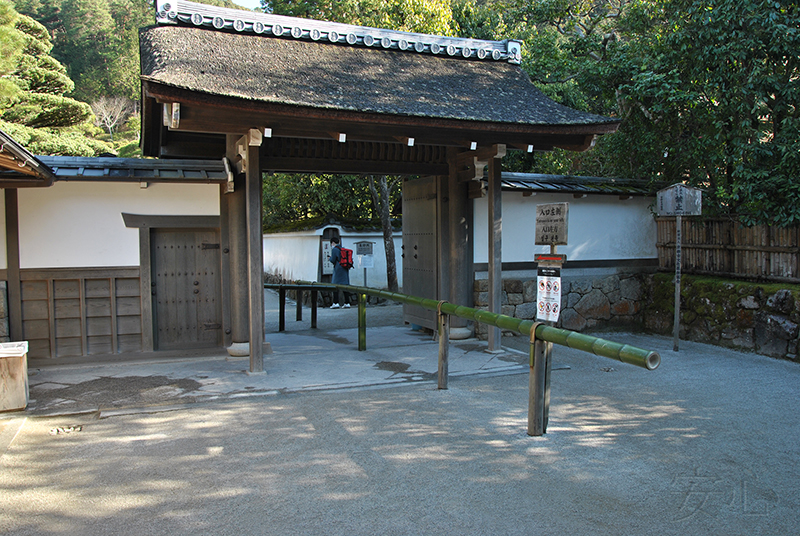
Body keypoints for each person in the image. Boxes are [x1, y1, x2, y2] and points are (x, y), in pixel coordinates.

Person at [328, 237, 352, 309]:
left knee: (335, 285)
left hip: (338, 269)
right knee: (345, 286)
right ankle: (347, 302)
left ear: (332, 243)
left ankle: (336, 302)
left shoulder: (335, 249)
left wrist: (329, 258)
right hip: (344, 268)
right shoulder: (342, 249)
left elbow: (333, 260)